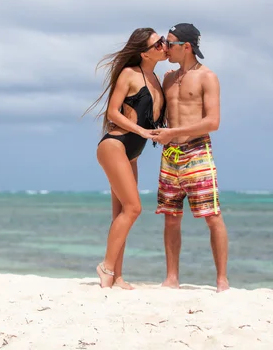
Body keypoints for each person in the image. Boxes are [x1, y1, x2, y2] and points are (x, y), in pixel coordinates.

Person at [83, 27, 168, 289]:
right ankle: (106, 267)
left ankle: (117, 276)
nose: (163, 46)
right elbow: (112, 113)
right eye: (158, 44)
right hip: (114, 146)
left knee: (121, 212)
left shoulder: (156, 78)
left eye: (163, 41)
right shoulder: (130, 74)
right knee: (134, 208)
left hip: (132, 154)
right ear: (144, 52)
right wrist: (142, 130)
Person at [151, 23, 230, 293]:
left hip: (197, 151)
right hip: (170, 154)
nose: (165, 47)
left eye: (169, 43)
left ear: (186, 47)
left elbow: (213, 122)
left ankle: (222, 280)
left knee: (212, 216)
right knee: (171, 217)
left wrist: (174, 131)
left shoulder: (208, 77)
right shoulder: (168, 78)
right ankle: (172, 277)